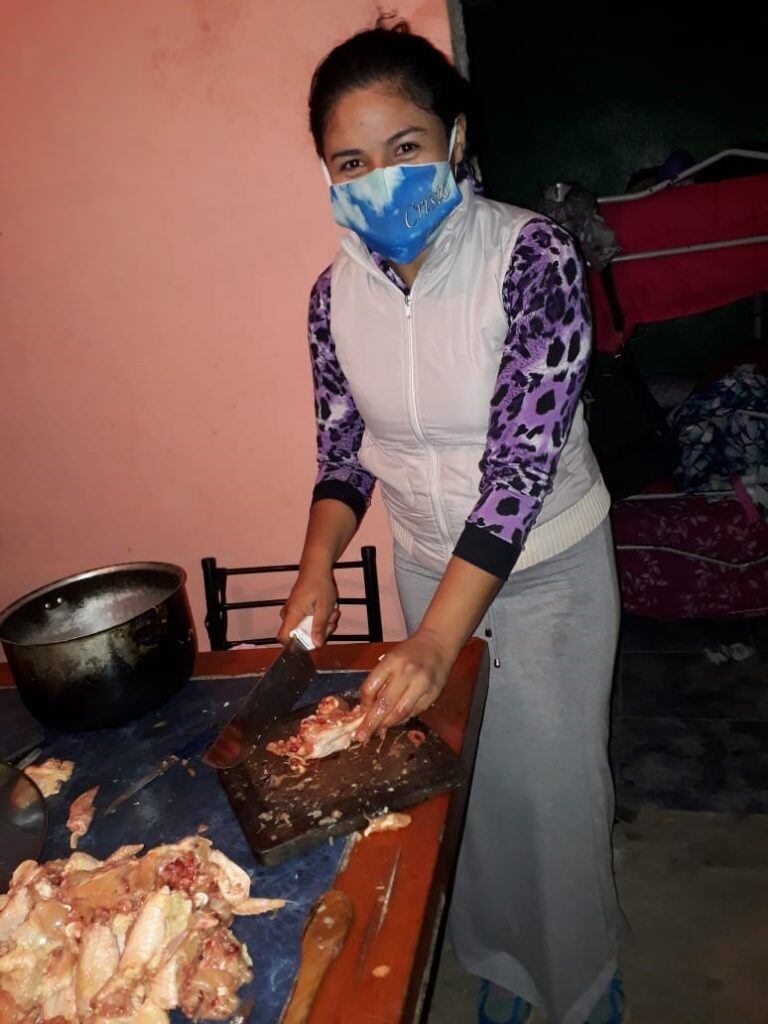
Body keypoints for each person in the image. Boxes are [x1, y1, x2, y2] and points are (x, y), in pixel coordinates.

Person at [278, 19, 624, 1024]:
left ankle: (581, 989)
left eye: (405, 148)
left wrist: (437, 642)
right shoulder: (330, 299)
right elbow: (342, 455)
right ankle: (502, 969)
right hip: (430, 569)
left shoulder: (534, 260)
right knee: (463, 794)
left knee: (554, 800)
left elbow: (517, 469)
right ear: (328, 176)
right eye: (352, 161)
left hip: (550, 568)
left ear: (455, 140)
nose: (380, 177)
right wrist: (316, 569)